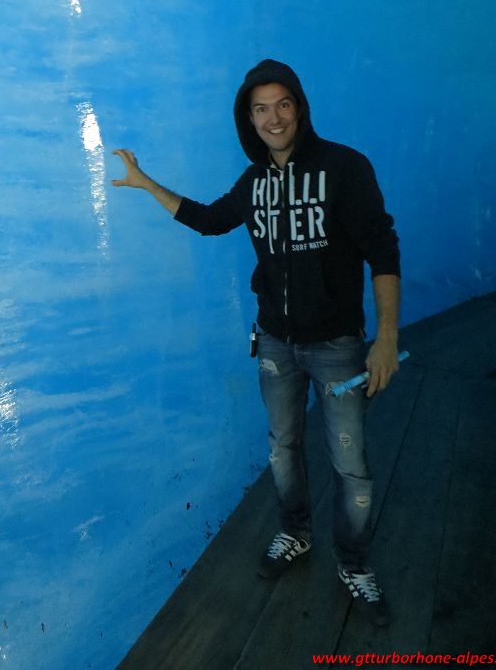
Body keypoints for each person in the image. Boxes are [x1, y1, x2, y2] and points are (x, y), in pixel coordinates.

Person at [111, 59, 400, 627]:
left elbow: (382, 248)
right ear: (249, 118)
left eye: (282, 104)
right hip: (274, 345)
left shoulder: (345, 167)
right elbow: (210, 220)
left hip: (338, 346)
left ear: (300, 108)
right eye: (260, 108)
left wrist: (386, 336)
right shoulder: (254, 182)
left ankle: (354, 563)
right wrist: (147, 184)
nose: (274, 118)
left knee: (350, 463)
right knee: (283, 448)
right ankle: (296, 533)